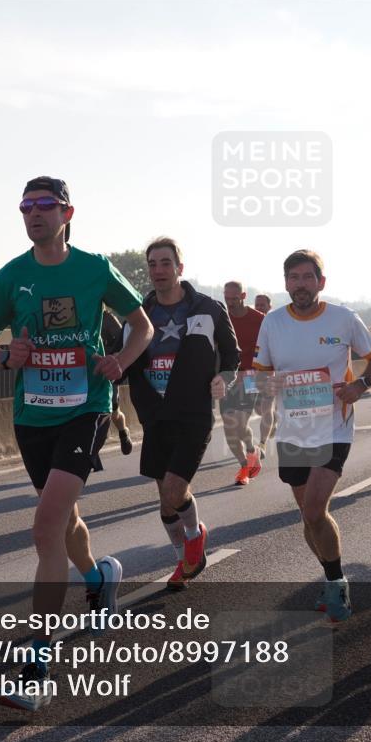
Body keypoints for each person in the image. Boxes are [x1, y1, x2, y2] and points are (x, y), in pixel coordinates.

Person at [0, 176, 153, 711]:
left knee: (46, 525)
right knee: (64, 518)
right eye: (26, 206)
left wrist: (120, 361)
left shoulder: (95, 268)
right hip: (32, 415)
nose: (33, 214)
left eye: (44, 206)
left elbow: (140, 324)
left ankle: (36, 663)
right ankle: (99, 577)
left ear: (67, 212)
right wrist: (7, 356)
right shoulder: (11, 276)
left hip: (87, 407)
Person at [253, 250, 371, 623]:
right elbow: (262, 374)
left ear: (320, 282)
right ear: (285, 284)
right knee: (309, 519)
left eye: (307, 277)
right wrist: (264, 385)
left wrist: (360, 385)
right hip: (293, 430)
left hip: (334, 427)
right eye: (293, 278)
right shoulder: (273, 323)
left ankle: (336, 583)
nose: (300, 284)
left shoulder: (343, 318)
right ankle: (331, 576)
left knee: (314, 510)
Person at [124, 238, 240, 591]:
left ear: (179, 268)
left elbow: (232, 358)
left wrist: (224, 378)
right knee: (165, 498)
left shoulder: (208, 308)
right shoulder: (138, 313)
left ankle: (194, 535)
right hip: (155, 415)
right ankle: (184, 558)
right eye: (152, 264)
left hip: (193, 412)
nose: (158, 271)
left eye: (165, 263)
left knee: (176, 489)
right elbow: (122, 357)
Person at [221, 281, 266, 486]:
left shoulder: (258, 319)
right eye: (226, 298)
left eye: (234, 298)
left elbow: (267, 349)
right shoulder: (222, 317)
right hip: (227, 377)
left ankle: (250, 448)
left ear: (244, 295)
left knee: (240, 422)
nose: (230, 303)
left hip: (251, 376)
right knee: (230, 428)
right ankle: (245, 465)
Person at [100, 308, 134, 454]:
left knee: (113, 412)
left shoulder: (107, 318)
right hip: (85, 373)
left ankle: (123, 432)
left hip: (107, 372)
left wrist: (112, 356)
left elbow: (123, 342)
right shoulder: (78, 316)